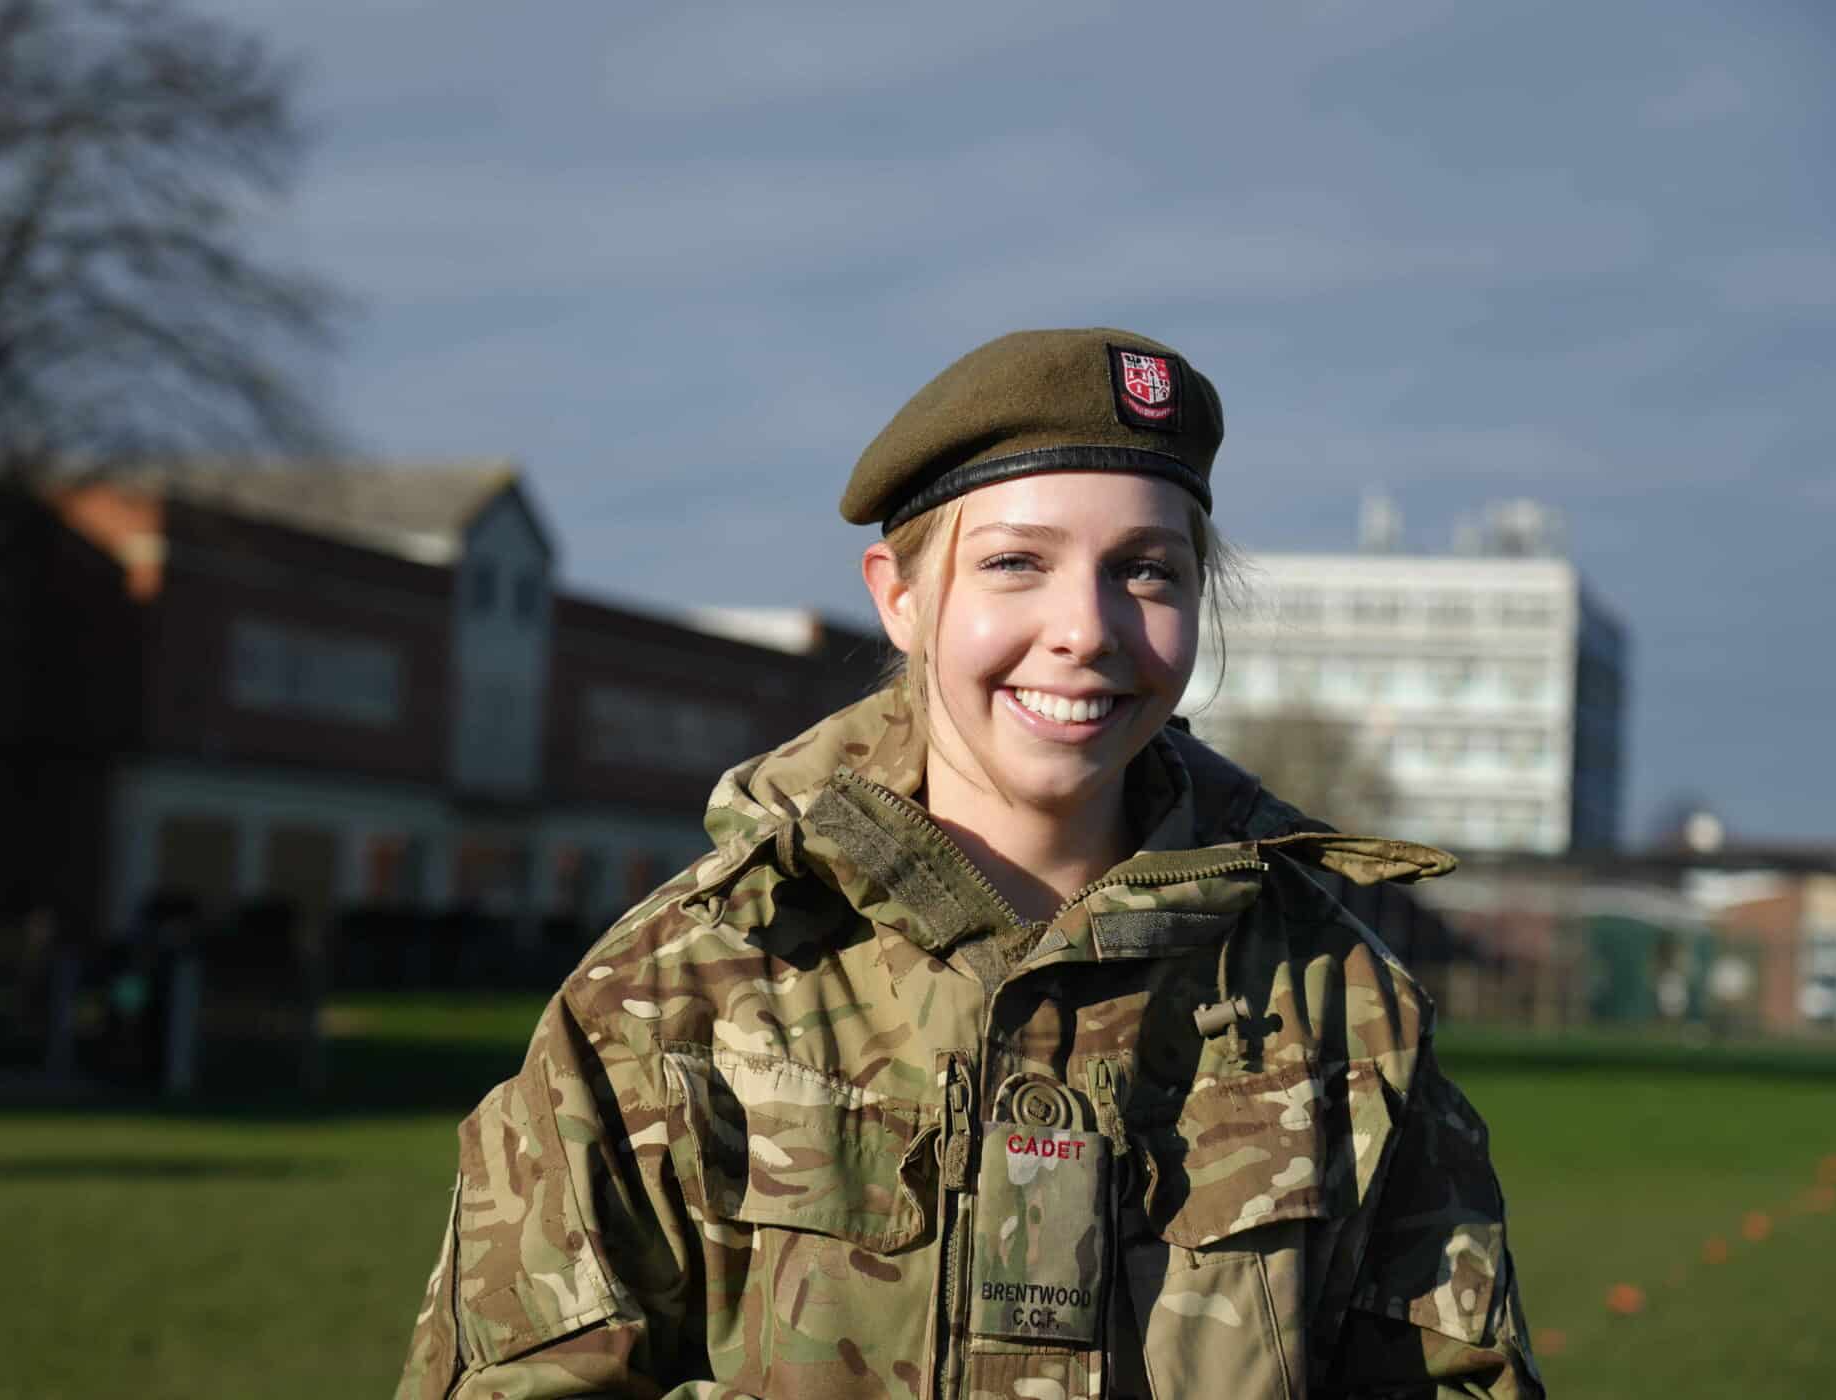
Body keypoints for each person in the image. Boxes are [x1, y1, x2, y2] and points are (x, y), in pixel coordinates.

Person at [394, 328, 1543, 1399]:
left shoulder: (1338, 1004)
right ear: (901, 598)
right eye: (1015, 562)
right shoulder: (675, 992)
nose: (1087, 628)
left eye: (1148, 570)